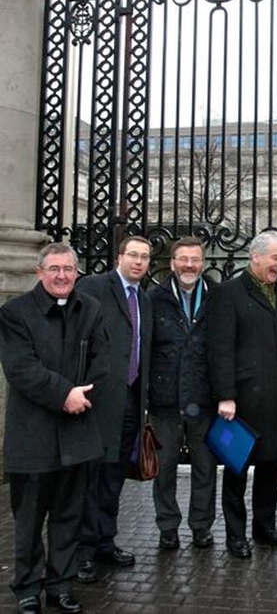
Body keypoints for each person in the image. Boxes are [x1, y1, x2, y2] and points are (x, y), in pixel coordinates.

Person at [0, 242, 110, 614]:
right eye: (54, 269)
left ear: (77, 272)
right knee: (29, 521)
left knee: (68, 517)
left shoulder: (91, 309)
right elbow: (20, 369)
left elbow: (102, 360)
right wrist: (65, 393)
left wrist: (83, 393)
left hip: (77, 432)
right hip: (32, 434)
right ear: (39, 272)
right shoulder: (14, 313)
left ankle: (60, 585)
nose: (62, 276)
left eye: (68, 269)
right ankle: (27, 587)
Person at [209, 231, 277, 559]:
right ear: (255, 258)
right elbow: (219, 349)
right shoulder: (229, 294)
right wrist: (225, 395)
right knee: (237, 469)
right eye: (275, 258)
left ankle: (264, 527)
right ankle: (236, 534)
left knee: (272, 465)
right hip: (245, 401)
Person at [74, 236, 153, 583]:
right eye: (132, 255)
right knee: (90, 477)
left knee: (114, 476)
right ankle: (82, 551)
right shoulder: (93, 286)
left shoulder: (145, 299)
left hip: (132, 400)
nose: (138, 262)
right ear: (119, 256)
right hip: (99, 398)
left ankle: (105, 541)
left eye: (145, 257)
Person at [149, 237, 218, 551]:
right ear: (172, 262)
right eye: (183, 259)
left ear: (203, 262)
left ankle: (201, 526)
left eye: (195, 259)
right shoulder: (154, 298)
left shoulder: (217, 296)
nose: (189, 265)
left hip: (204, 399)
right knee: (164, 468)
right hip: (165, 399)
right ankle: (167, 526)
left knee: (205, 467)